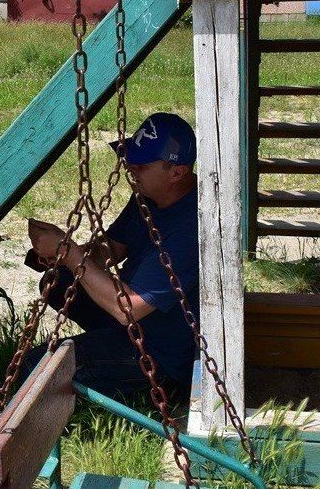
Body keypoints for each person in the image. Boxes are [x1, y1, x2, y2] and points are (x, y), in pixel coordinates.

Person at [23, 112, 199, 398]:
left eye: (139, 165)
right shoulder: (150, 197)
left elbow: (128, 308)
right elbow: (114, 248)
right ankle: (101, 347)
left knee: (37, 366)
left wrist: (68, 253)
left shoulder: (191, 227)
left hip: (160, 352)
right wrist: (64, 255)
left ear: (176, 172)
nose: (129, 167)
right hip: (133, 324)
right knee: (57, 282)